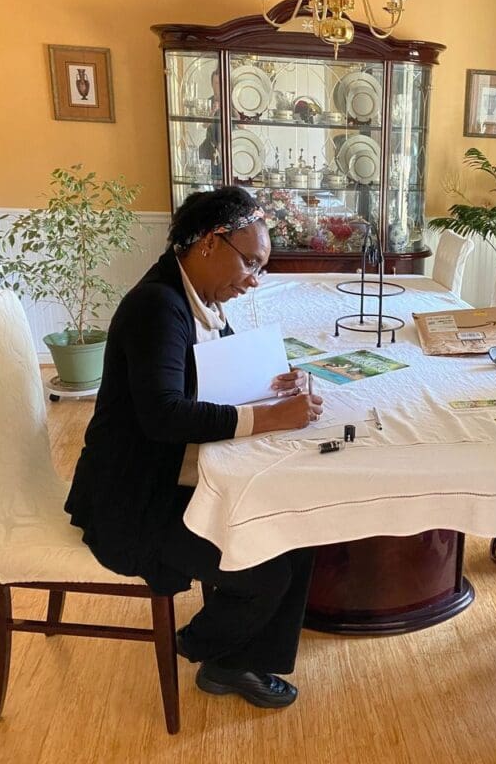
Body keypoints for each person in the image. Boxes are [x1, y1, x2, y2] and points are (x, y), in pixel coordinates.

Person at [65, 187, 323, 709]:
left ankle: (245, 657)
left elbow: (210, 372)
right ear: (210, 243)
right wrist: (267, 416)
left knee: (295, 527)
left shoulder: (194, 294)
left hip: (180, 476)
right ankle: (207, 653)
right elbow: (163, 415)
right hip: (135, 502)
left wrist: (270, 382)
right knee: (268, 570)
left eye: (260, 267)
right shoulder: (157, 307)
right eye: (250, 263)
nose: (252, 280)